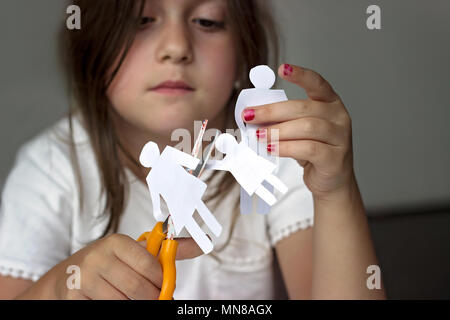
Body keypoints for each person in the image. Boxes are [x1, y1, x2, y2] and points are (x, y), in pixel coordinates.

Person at [0, 0, 385, 299]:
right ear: (91, 47)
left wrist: (335, 191)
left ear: (243, 51)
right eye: (140, 19)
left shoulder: (277, 154)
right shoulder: (49, 170)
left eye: (207, 21)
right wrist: (61, 288)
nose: (176, 47)